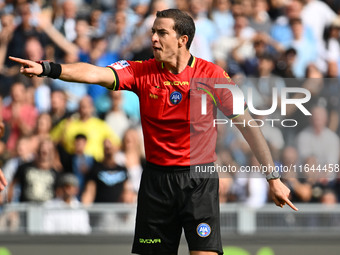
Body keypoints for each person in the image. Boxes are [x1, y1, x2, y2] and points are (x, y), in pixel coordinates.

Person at [9, 8, 297, 255]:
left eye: (161, 33)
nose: (153, 38)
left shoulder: (212, 76)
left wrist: (273, 178)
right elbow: (94, 73)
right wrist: (48, 68)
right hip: (156, 182)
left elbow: (247, 125)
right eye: (152, 32)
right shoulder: (141, 71)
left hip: (199, 181)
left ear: (183, 40)